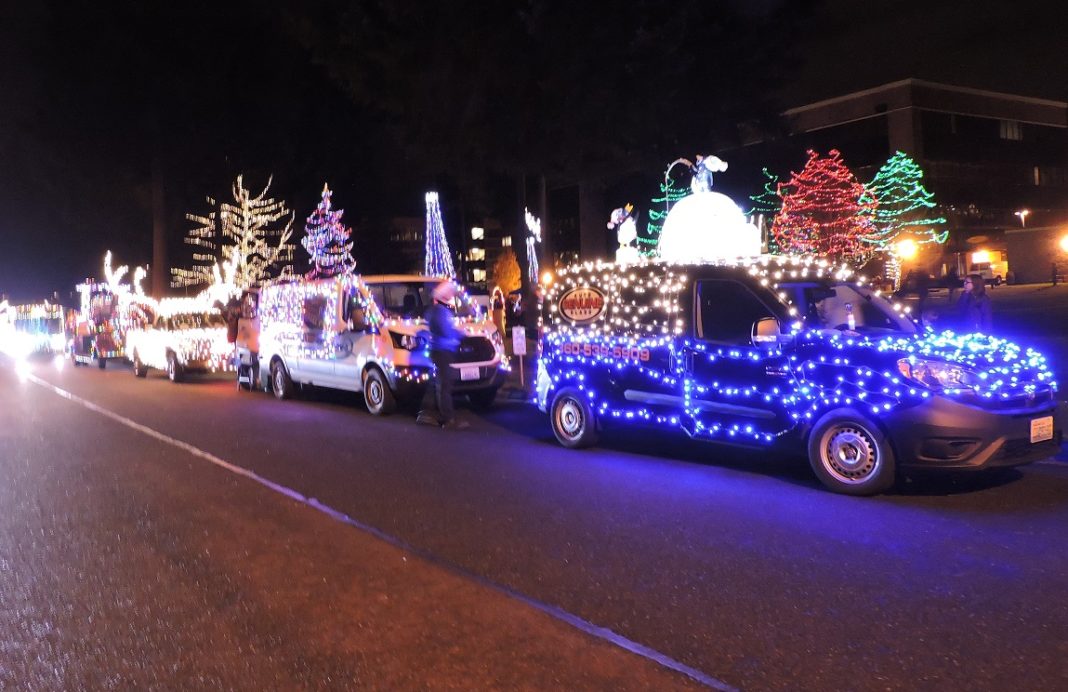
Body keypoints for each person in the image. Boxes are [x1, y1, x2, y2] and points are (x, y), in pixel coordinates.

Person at [416, 281, 469, 429]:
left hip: (438, 351)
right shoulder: (441, 312)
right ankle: (448, 419)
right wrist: (460, 333)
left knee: (437, 383)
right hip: (443, 351)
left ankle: (426, 413)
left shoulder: (433, 311)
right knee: (444, 385)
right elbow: (446, 331)